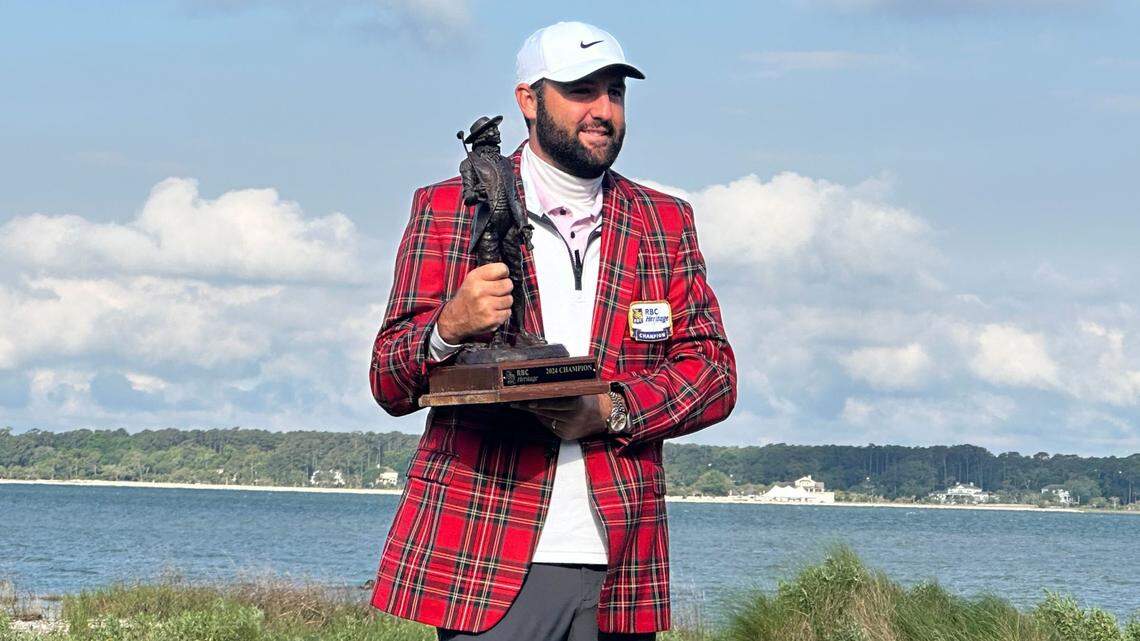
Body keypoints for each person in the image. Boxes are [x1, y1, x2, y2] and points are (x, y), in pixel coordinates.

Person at [369, 21, 737, 641]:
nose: (602, 111)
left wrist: (611, 409)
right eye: (580, 91)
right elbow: (387, 379)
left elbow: (715, 376)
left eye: (614, 93)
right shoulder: (448, 208)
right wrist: (448, 326)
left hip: (622, 563)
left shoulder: (666, 221)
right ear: (528, 101)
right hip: (484, 554)